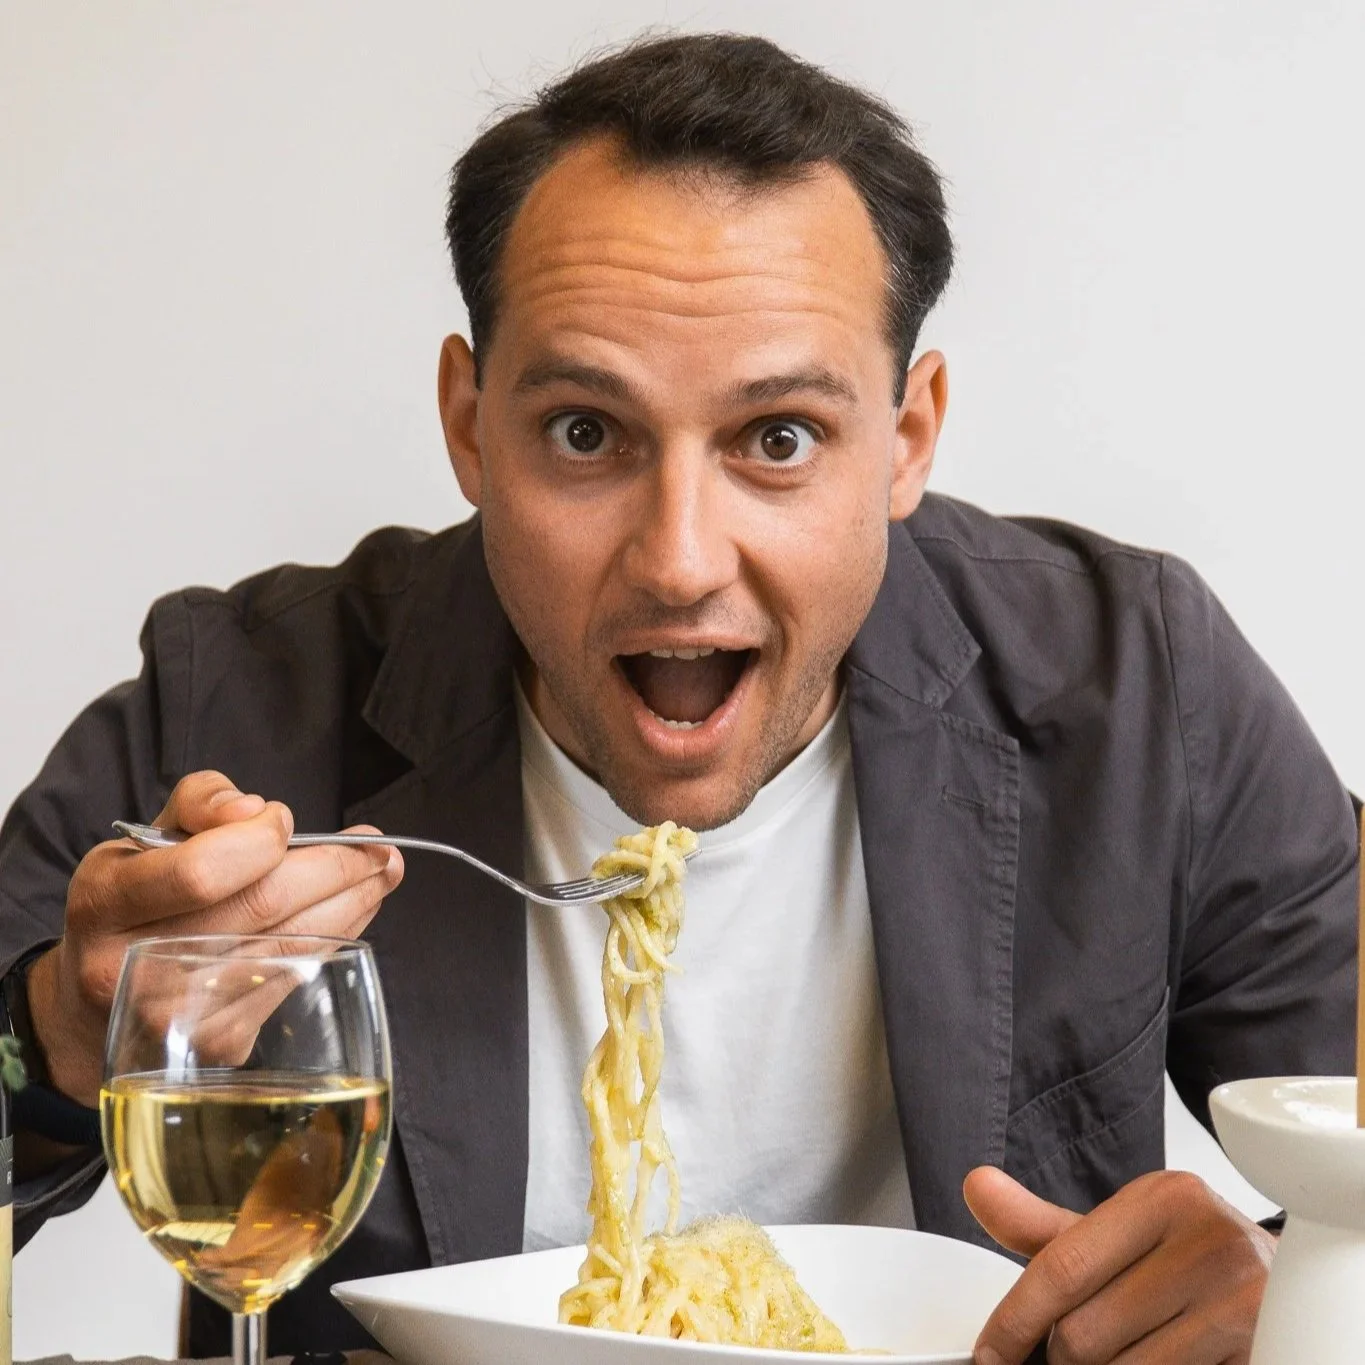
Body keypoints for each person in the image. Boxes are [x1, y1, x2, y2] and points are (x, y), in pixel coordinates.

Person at [0, 31, 1356, 1365]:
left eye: (780, 440)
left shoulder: (1136, 687)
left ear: (907, 439)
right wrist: (60, 1031)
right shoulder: (247, 698)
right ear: (471, 426)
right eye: (587, 434)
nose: (680, 560)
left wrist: (1290, 1278)